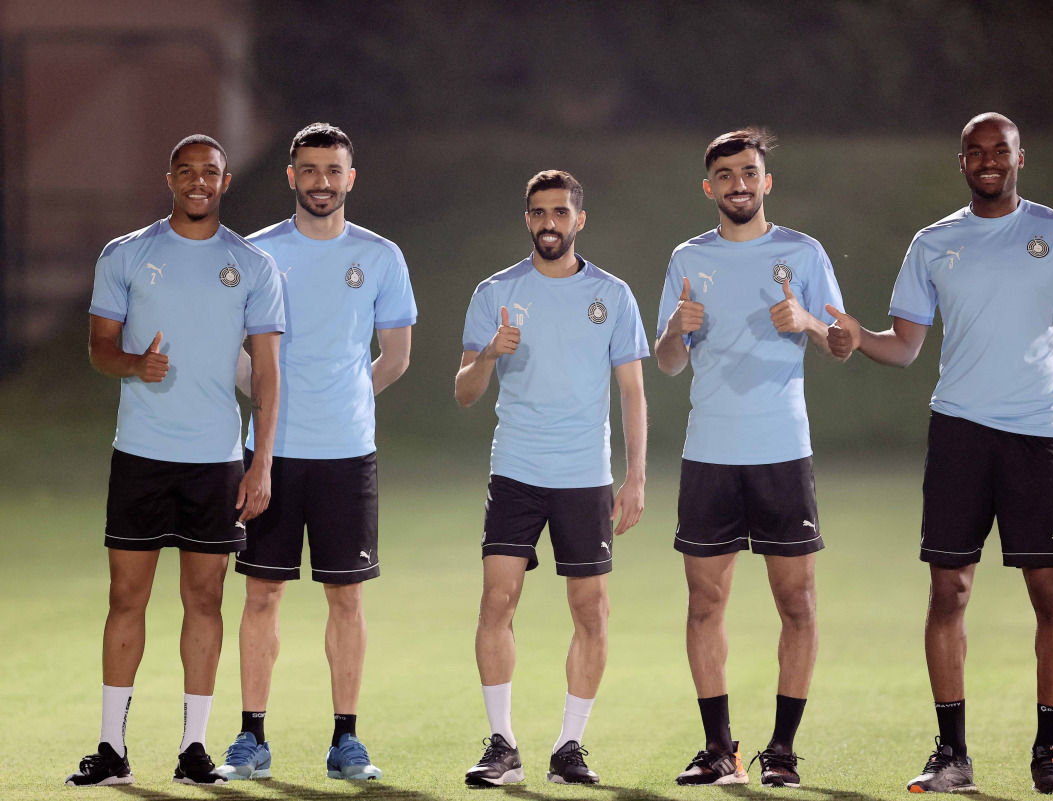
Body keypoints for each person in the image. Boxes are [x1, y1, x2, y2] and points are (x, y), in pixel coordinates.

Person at [825, 112, 1053, 795]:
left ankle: (1050, 754)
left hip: (1035, 432)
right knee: (949, 589)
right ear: (961, 163)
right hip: (960, 431)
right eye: (975, 151)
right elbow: (905, 346)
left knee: (1049, 592)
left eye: (1000, 149)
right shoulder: (934, 242)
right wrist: (854, 337)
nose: (988, 159)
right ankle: (951, 754)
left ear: (1021, 157)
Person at [67, 135, 284, 787]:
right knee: (125, 596)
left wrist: (261, 460)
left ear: (223, 181)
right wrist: (136, 363)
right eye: (186, 171)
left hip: (216, 458)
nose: (198, 182)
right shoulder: (127, 254)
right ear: (170, 178)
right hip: (141, 453)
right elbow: (101, 348)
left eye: (210, 172)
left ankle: (193, 748)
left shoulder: (251, 264)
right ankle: (111, 748)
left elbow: (269, 374)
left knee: (204, 599)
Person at [214, 123, 416, 782]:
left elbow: (398, 355)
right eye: (310, 169)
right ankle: (250, 738)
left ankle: (346, 741)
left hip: (348, 455)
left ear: (350, 178)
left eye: (333, 170)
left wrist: (350, 397)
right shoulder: (258, 253)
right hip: (268, 453)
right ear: (292, 176)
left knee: (346, 600)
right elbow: (232, 350)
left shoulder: (381, 255)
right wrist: (270, 409)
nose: (321, 181)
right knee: (262, 595)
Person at [655, 129, 847, 788]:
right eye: (725, 175)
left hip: (781, 451)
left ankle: (783, 751)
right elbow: (668, 362)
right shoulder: (687, 258)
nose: (738, 183)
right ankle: (718, 749)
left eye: (749, 172)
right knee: (705, 603)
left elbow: (843, 341)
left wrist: (810, 323)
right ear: (709, 187)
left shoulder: (803, 252)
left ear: (767, 182)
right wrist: (678, 331)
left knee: (797, 604)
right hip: (709, 453)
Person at [454, 170, 648, 787]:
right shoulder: (495, 292)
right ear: (527, 220)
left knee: (590, 609)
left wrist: (635, 475)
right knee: (496, 601)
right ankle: (503, 744)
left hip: (584, 477)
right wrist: (489, 353)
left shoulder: (612, 294)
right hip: (515, 469)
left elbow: (633, 392)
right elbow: (463, 393)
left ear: (578, 220)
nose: (549, 223)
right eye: (539, 213)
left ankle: (569, 747)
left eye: (560, 212)